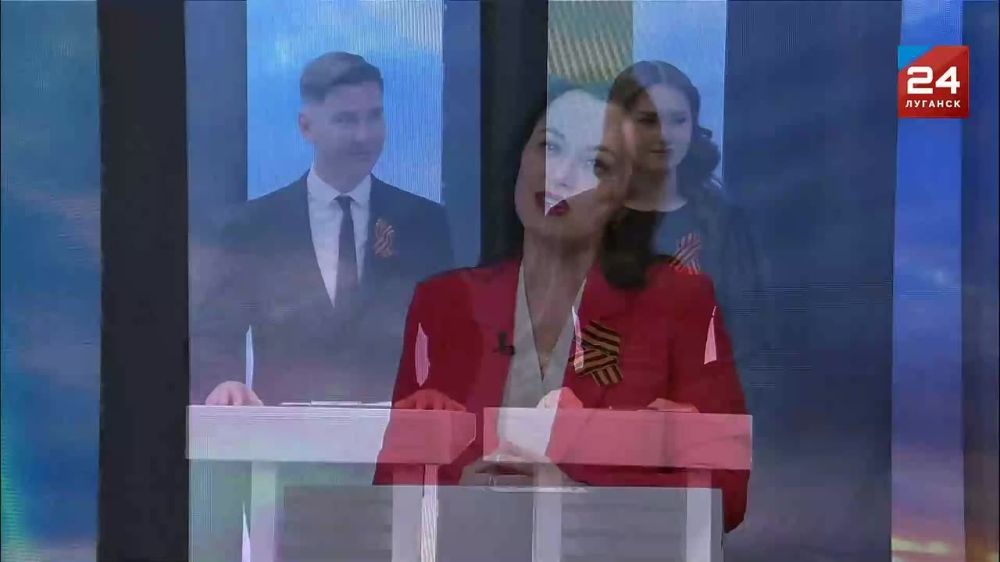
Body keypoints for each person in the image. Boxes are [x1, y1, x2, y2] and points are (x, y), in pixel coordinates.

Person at [375, 82, 749, 533]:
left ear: (624, 199)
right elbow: (392, 483)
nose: (562, 175)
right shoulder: (443, 303)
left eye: (596, 164)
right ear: (520, 159)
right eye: (549, 147)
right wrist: (458, 499)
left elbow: (725, 492)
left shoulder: (679, 302)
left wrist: (574, 498)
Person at [191, 52, 453, 406]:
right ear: (306, 127)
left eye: (374, 116)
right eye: (346, 120)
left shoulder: (422, 223)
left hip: (394, 430)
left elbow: (451, 332)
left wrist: (439, 389)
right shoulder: (253, 226)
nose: (364, 135)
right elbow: (216, 331)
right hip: (283, 434)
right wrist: (224, 382)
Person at [609, 60, 770, 367]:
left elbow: (748, 338)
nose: (664, 135)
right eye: (648, 121)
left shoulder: (723, 223)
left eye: (677, 120)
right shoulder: (587, 220)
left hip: (705, 390)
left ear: (693, 127)